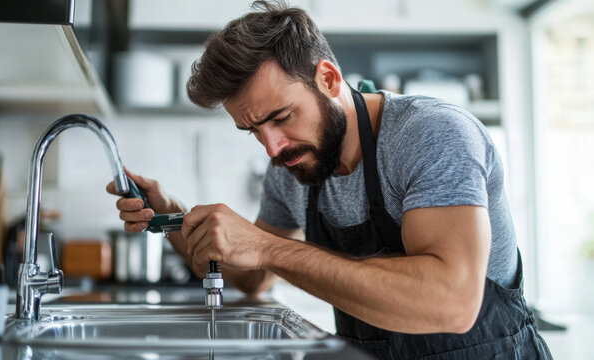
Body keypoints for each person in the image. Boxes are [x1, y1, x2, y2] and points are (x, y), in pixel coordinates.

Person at [107, 1, 552, 358]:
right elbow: (249, 279)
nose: (272, 148)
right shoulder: (292, 166)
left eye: (281, 117)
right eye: (254, 131)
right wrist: (169, 214)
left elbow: (450, 303)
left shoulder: (429, 134)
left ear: (328, 77)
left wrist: (264, 246)